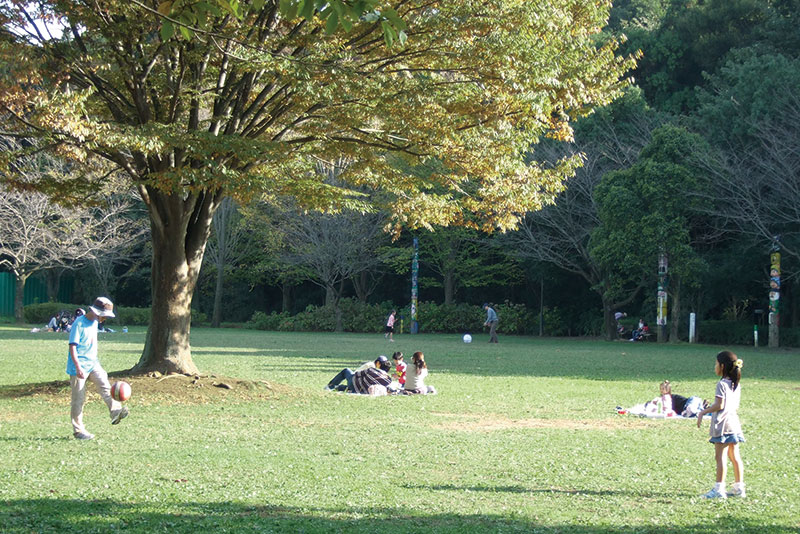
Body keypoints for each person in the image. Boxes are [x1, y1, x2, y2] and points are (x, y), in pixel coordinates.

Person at [67, 297, 128, 440]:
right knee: (79, 399)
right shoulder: (79, 324)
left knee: (105, 386)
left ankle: (115, 412)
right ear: (95, 311)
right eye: (104, 315)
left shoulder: (95, 322)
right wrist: (77, 367)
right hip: (79, 367)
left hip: (93, 363)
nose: (104, 319)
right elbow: (72, 347)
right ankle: (78, 430)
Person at [696, 350, 745, 499]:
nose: (715, 366)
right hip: (734, 424)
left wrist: (703, 412)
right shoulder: (736, 385)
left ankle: (719, 489)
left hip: (723, 425)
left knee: (720, 457)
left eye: (716, 363)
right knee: (735, 456)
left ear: (722, 366)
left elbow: (719, 404)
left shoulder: (722, 384)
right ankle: (739, 488)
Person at [325, 355, 397, 394]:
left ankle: (330, 386)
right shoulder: (388, 379)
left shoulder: (371, 369)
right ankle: (338, 387)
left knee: (346, 370)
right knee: (346, 387)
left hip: (355, 384)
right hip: (364, 391)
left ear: (378, 363)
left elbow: (357, 374)